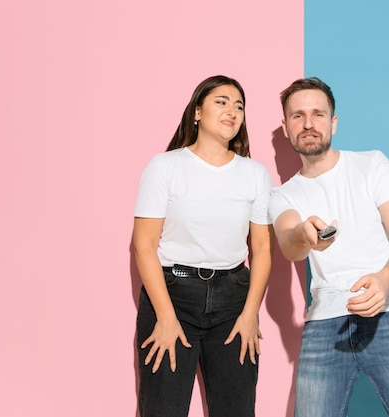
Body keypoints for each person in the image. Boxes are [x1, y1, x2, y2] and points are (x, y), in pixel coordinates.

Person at [269, 77, 389, 417]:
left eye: (318, 114)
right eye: (298, 116)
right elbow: (289, 242)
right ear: (286, 127)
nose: (308, 124)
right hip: (324, 326)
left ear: (333, 122)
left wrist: (385, 280)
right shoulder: (283, 195)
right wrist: (305, 235)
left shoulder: (372, 164)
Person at [133, 75, 273, 417]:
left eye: (239, 105)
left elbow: (263, 250)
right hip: (172, 296)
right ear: (197, 112)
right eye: (221, 102)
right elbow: (144, 246)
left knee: (237, 411)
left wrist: (250, 313)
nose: (232, 111)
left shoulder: (254, 174)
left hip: (233, 301)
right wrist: (165, 317)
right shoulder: (165, 167)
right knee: (162, 410)